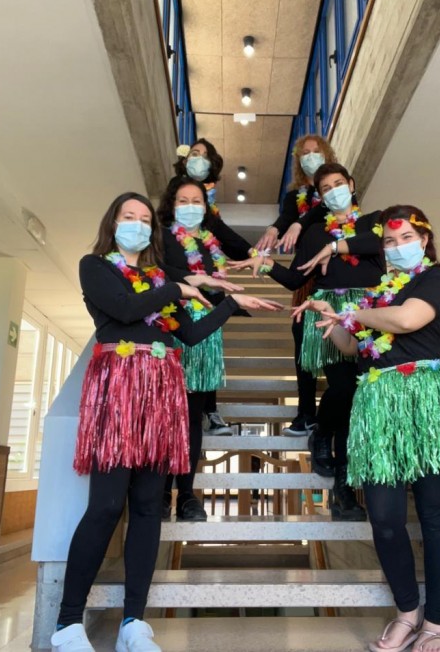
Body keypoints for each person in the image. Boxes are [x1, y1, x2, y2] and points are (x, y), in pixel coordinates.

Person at [51, 193, 282, 652]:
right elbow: (124, 309)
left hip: (161, 392)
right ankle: (67, 623)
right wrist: (179, 287)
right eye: (128, 217)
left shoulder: (158, 278)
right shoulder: (95, 267)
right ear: (113, 223)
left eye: (143, 219)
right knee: (105, 506)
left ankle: (134, 623)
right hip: (119, 388)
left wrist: (230, 305)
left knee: (146, 507)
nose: (137, 224)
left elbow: (190, 334)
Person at [302, 205, 440, 652]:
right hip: (378, 405)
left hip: (425, 401)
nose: (398, 247)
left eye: (406, 239)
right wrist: (333, 316)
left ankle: (436, 625)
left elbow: (406, 321)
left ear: (424, 240)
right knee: (383, 517)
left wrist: (355, 315)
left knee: (435, 514)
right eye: (389, 241)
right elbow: (351, 348)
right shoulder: (378, 293)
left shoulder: (436, 279)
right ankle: (407, 613)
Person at [230, 163, 383, 521]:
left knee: (358, 400)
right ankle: (335, 468)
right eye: (325, 188)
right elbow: (295, 278)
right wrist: (266, 264)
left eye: (338, 184)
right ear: (320, 197)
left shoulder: (374, 221)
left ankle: (341, 478)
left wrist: (336, 247)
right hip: (330, 314)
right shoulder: (315, 232)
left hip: (371, 314)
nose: (333, 191)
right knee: (344, 389)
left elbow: (378, 244)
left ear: (351, 185)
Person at [157, 176, 273, 521]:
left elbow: (228, 266)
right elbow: (154, 271)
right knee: (168, 414)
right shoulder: (159, 237)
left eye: (197, 200)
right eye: (183, 200)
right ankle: (160, 492)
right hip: (172, 323)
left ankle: (187, 493)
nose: (190, 206)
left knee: (193, 416)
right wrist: (196, 279)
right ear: (171, 205)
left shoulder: (210, 242)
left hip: (207, 328)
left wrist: (251, 261)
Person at [170, 138, 256, 433]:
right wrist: (189, 279)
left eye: (205, 156)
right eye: (194, 153)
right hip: (177, 305)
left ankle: (210, 410)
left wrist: (254, 254)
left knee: (207, 357)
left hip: (208, 302)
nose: (199, 159)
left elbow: (228, 237)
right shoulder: (165, 231)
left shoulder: (209, 221)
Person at [255, 135, 337, 437]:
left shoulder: (336, 190)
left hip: (338, 275)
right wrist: (274, 228)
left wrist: (300, 224)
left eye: (316, 151)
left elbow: (324, 210)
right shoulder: (295, 196)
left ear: (327, 154)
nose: (311, 156)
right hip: (305, 275)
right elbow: (288, 216)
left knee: (336, 345)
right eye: (305, 153)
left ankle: (337, 414)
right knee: (303, 341)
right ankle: (305, 414)